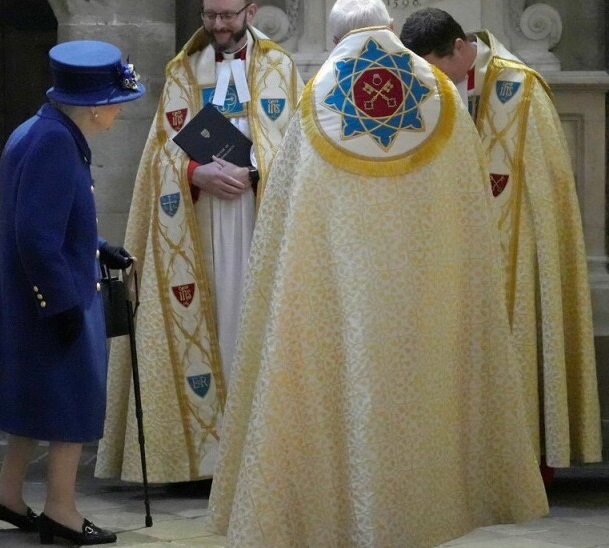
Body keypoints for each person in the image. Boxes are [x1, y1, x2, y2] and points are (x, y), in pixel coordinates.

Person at [207, 0, 549, 545]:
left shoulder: (315, 100)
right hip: (426, 296)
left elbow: (285, 217)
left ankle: (338, 517)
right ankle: (427, 514)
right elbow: (468, 208)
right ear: (389, 29)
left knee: (338, 394)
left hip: (334, 296)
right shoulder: (439, 94)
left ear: (339, 33)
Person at [95, 0, 304, 485]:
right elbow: (157, 160)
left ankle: (262, 458)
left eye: (228, 15)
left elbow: (295, 150)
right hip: (195, 223)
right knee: (209, 325)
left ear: (252, 10)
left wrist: (255, 174)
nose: (218, 25)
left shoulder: (280, 68)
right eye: (210, 15)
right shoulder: (183, 72)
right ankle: (202, 462)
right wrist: (194, 171)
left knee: (252, 324)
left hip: (258, 220)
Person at [400, 7, 602, 474]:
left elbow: (547, 191)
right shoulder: (425, 82)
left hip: (509, 246)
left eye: (436, 66)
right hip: (448, 241)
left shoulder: (522, 88)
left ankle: (522, 461)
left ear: (460, 48)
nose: (432, 80)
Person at [0, 40, 144, 546]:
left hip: (38, 295)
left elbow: (52, 218)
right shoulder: (53, 142)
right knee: (72, 408)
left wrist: (97, 246)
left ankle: (6, 494)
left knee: (34, 401)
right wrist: (63, 302)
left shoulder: (42, 128)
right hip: (55, 299)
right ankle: (62, 511)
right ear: (93, 106)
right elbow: (35, 234)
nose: (118, 108)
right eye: (114, 99)